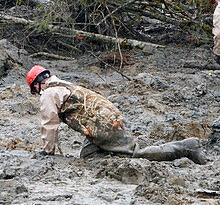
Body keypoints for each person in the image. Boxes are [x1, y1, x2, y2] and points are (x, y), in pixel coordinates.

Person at [26, 65, 207, 163]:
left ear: (36, 85)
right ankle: (113, 157)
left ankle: (185, 147)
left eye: (35, 91)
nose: (37, 95)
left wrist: (47, 152)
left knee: (136, 154)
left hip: (103, 127)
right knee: (88, 157)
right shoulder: (64, 85)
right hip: (103, 122)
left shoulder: (49, 93)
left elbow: (49, 124)